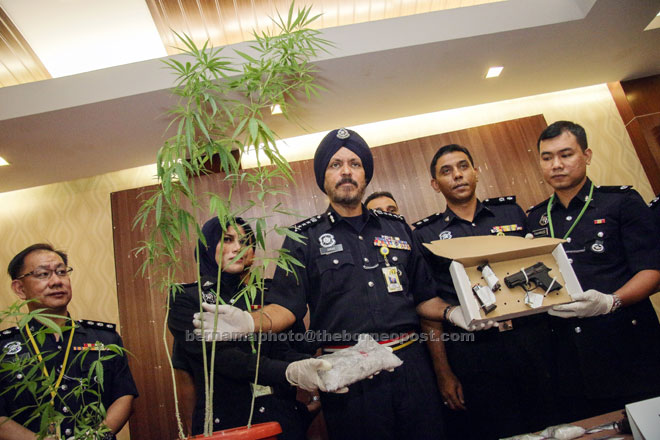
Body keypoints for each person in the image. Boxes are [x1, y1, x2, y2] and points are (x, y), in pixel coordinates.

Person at [193, 128, 467, 439]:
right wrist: (247, 322)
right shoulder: (302, 238)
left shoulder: (398, 228)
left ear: (365, 175)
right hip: (347, 376)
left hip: (412, 369)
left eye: (355, 163)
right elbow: (286, 307)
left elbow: (425, 299)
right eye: (335, 165)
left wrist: (453, 312)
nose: (346, 171)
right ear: (323, 178)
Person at [411, 144, 557, 439]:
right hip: (474, 352)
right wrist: (443, 372)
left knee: (551, 425)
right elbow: (429, 311)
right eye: (446, 171)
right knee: (496, 428)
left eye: (463, 166)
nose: (457, 175)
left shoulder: (511, 212)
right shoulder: (425, 235)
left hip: (530, 341)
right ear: (435, 185)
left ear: (476, 172)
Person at [526, 121, 660, 422]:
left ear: (586, 155)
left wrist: (610, 301)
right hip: (568, 356)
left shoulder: (621, 202)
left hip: (628, 347)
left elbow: (652, 270)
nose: (556, 165)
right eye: (547, 157)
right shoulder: (535, 218)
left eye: (566, 154)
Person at [167, 216, 325, 438]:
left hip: (282, 419)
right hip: (225, 425)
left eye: (246, 242)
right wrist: (288, 372)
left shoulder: (273, 297)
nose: (238, 248)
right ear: (208, 246)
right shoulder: (188, 299)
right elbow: (220, 359)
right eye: (228, 239)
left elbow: (297, 349)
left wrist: (318, 387)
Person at [0, 243, 137, 440]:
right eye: (42, 274)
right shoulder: (4, 347)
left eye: (61, 272)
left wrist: (94, 437)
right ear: (20, 288)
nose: (56, 281)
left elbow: (124, 396)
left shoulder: (104, 339)